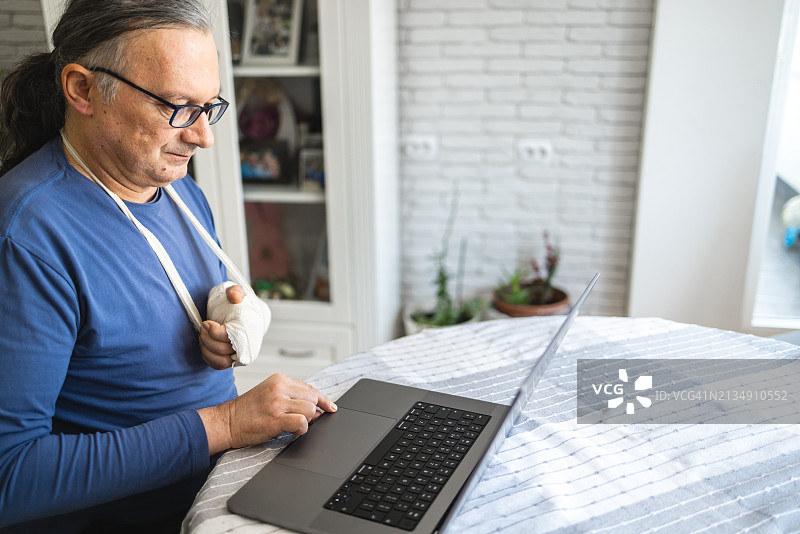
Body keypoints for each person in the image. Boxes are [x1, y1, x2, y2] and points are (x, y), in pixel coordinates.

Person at [0, 1, 336, 532]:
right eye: (177, 106)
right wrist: (227, 423)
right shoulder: (26, 238)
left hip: (225, 488)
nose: (203, 136)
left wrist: (223, 322)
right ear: (83, 89)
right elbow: (10, 478)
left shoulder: (178, 191)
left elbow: (154, 307)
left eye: (209, 106)